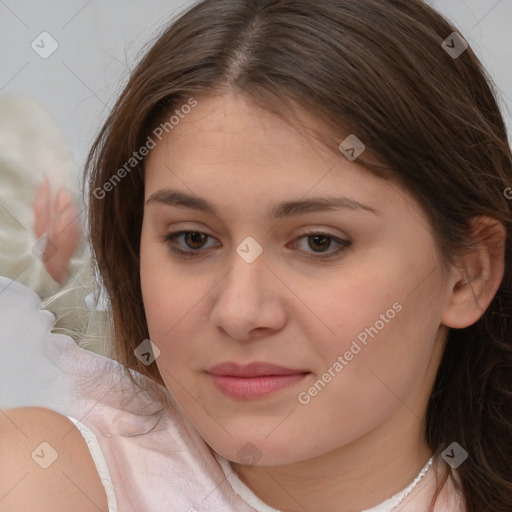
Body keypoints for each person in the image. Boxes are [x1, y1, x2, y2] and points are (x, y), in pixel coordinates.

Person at [1, 0, 511, 511]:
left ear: (468, 275)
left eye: (319, 242)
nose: (240, 313)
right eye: (192, 239)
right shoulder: (43, 477)